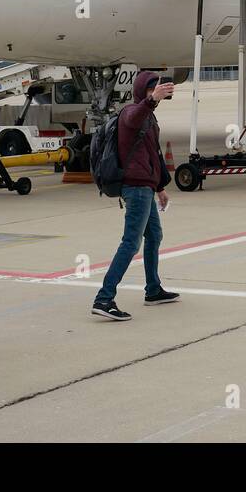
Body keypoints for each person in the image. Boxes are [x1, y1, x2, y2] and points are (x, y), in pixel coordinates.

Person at [91, 70, 179, 320]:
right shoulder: (132, 112)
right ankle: (104, 298)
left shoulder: (150, 119)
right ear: (143, 92)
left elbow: (153, 155)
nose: (157, 92)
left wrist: (160, 187)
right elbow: (134, 118)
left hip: (147, 188)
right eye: (152, 88)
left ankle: (153, 290)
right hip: (136, 189)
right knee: (131, 242)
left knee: (155, 235)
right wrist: (151, 100)